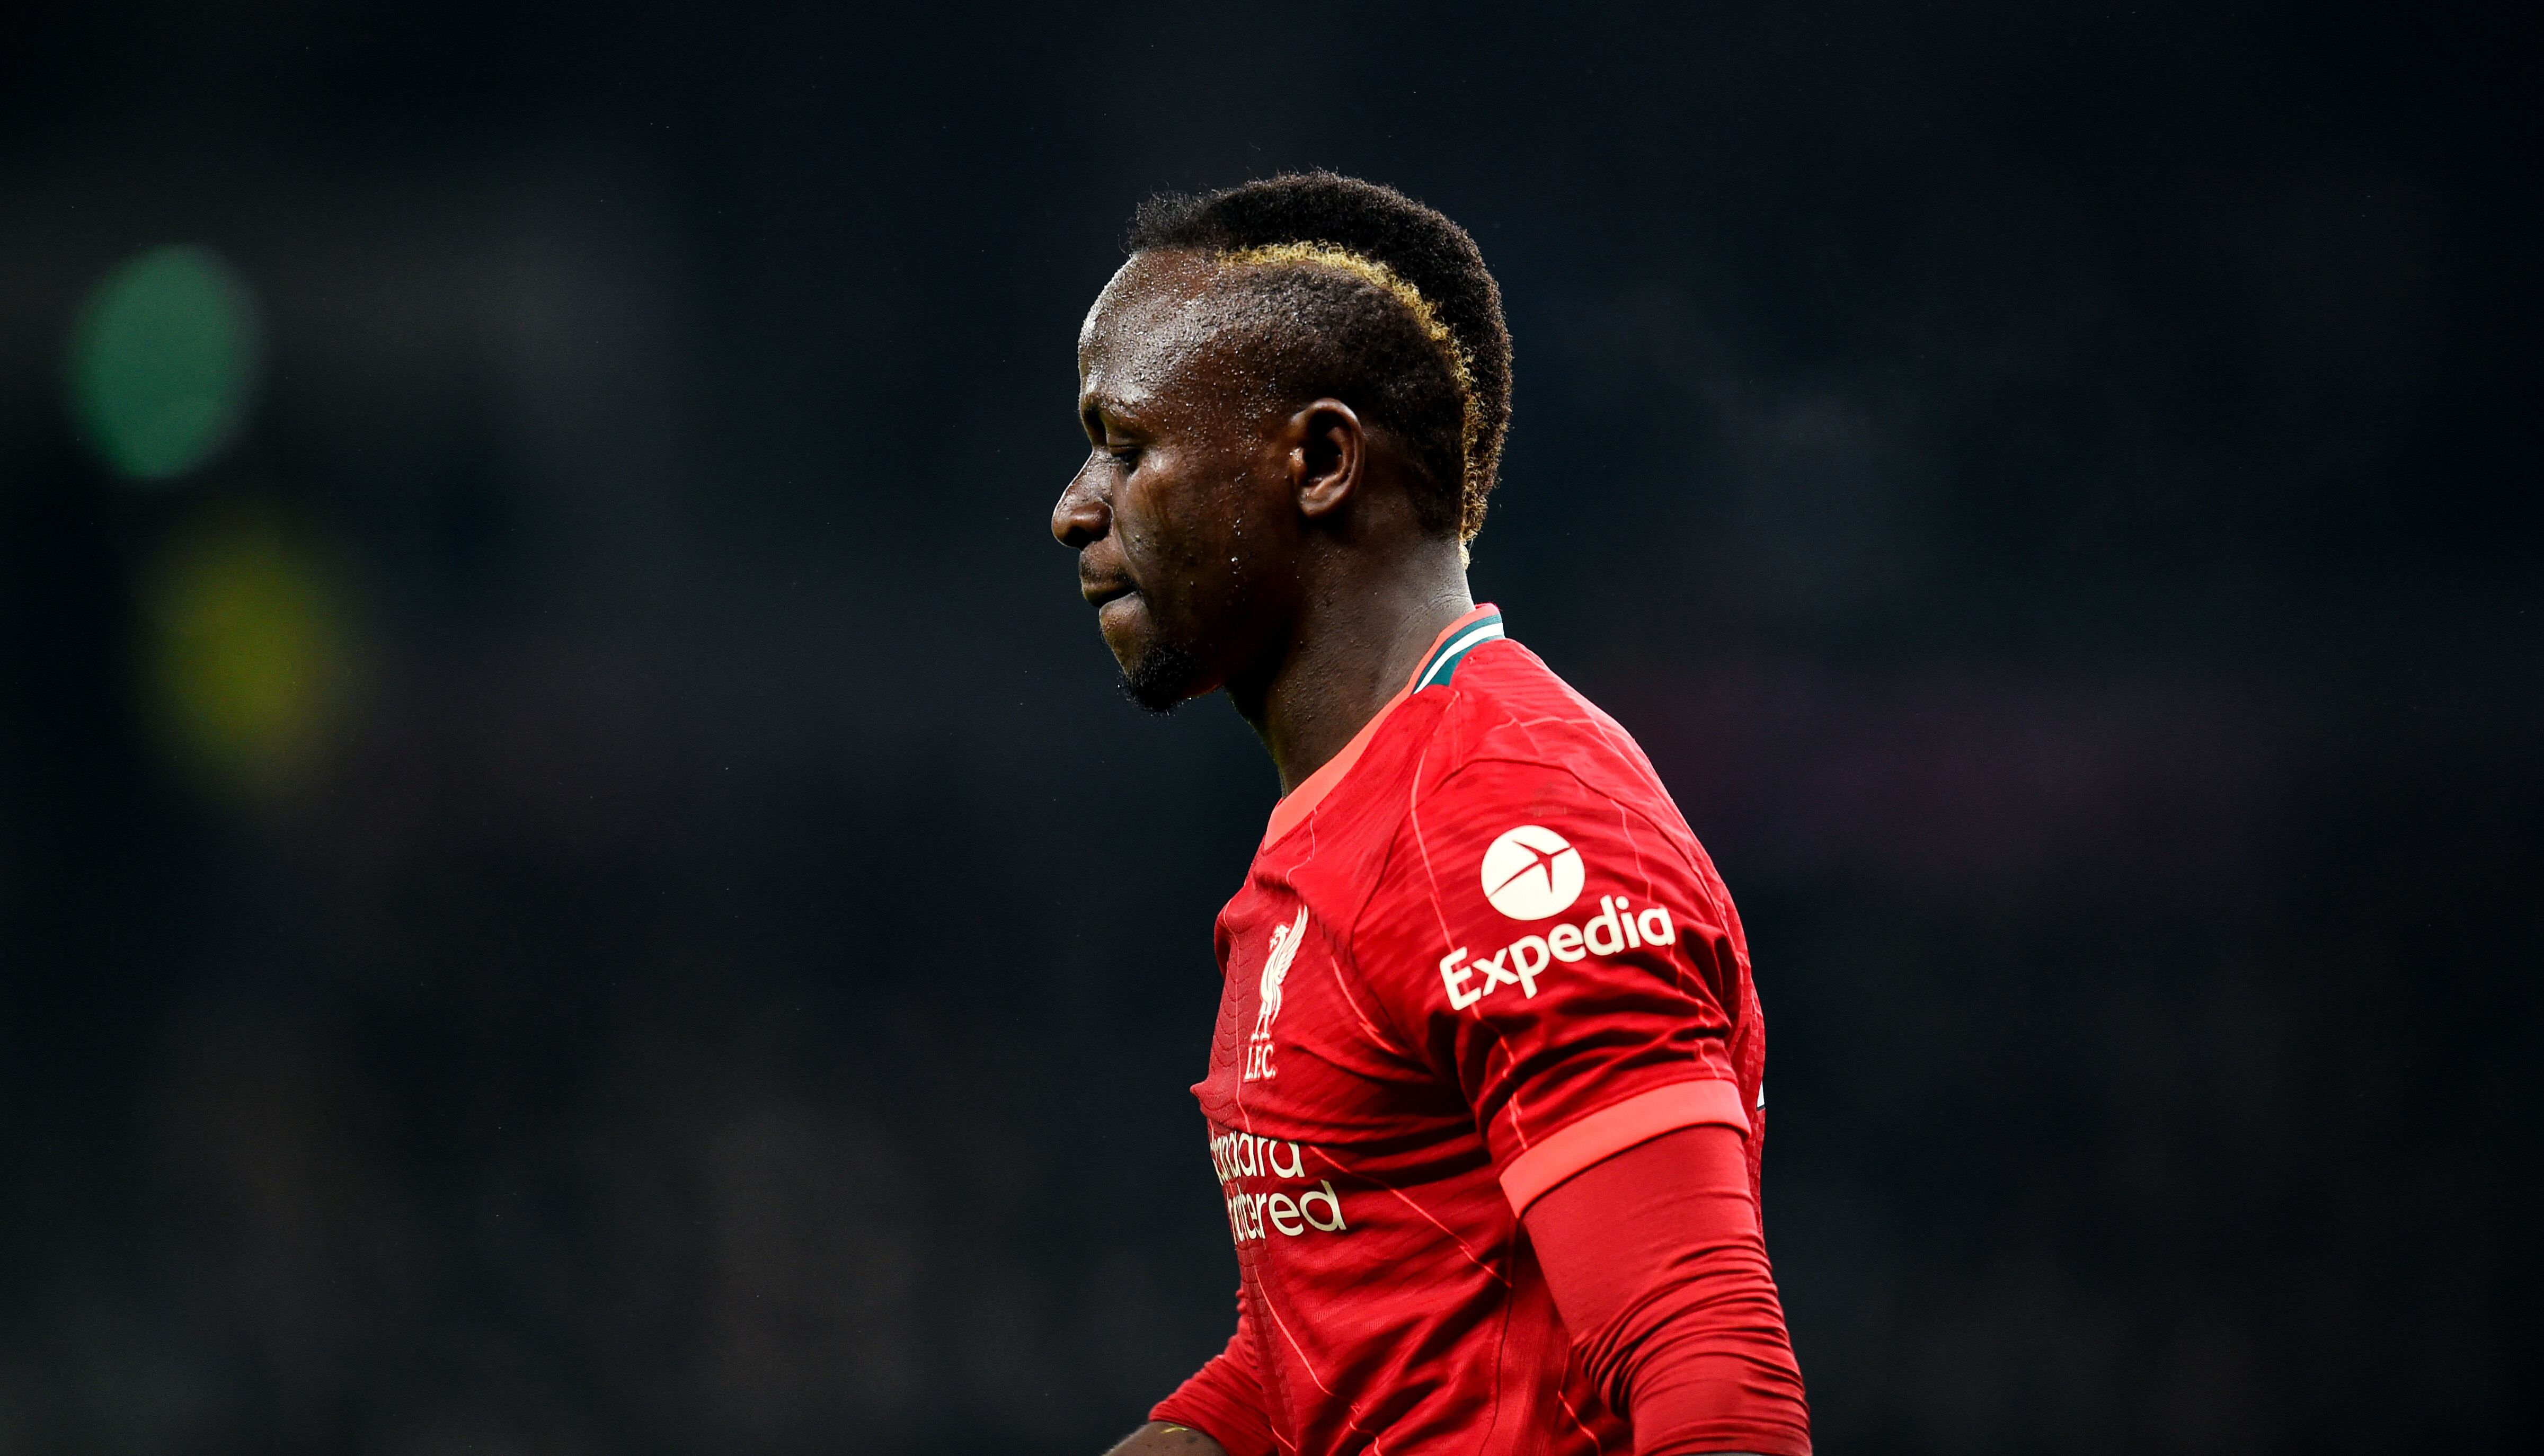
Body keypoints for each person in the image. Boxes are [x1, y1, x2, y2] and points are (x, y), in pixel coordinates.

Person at [1050, 173, 1811, 1456]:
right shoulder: (1338, 824)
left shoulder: (1507, 818)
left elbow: (1710, 1373)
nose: (1076, 504)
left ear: (1322, 462)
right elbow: (1336, 1354)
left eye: (1126, 446)